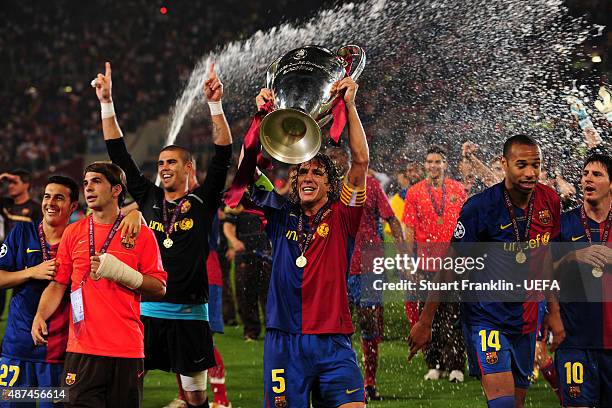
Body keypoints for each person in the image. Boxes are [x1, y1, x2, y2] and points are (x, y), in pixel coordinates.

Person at [94, 61, 232, 407]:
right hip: (145, 312)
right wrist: (106, 102)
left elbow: (223, 154)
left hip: (190, 315)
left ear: (189, 168)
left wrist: (215, 105)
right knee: (129, 390)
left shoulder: (203, 201)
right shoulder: (149, 197)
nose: (164, 168)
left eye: (171, 162)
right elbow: (118, 154)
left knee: (197, 398)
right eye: (160, 164)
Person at [409, 134, 566, 408]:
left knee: (516, 403)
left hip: (528, 317)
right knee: (502, 403)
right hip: (486, 316)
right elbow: (451, 265)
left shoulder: (549, 201)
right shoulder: (480, 207)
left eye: (536, 165)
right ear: (504, 164)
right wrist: (426, 321)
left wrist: (553, 312)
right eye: (521, 165)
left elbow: (547, 259)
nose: (530, 173)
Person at [249, 78, 368, 407]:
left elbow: (360, 163)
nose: (308, 177)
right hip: (284, 342)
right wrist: (261, 119)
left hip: (333, 341)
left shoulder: (343, 216)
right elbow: (245, 176)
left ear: (331, 186)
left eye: (317, 172)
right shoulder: (279, 215)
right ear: (293, 180)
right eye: (302, 172)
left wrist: (352, 106)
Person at [31, 162, 167, 407]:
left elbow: (159, 288)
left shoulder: (141, 234)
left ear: (116, 190)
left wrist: (122, 274)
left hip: (126, 350)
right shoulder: (73, 233)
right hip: (82, 350)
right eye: (85, 183)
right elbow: (58, 284)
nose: (88, 188)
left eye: (96, 181)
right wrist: (40, 315)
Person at [327, 146, 404, 401]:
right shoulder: (327, 188)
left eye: (339, 157)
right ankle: (345, 378)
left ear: (349, 161)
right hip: (338, 265)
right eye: (332, 157)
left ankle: (369, 382)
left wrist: (402, 253)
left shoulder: (369, 185)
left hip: (369, 264)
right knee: (339, 325)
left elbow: (391, 219)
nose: (336, 161)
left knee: (369, 323)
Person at [0, 176, 78, 407]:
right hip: (18, 346)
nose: (50, 203)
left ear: (73, 206)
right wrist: (31, 272)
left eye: (59, 198)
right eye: (47, 196)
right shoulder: (22, 232)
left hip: (59, 351)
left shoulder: (79, 240)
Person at [402, 146, 467, 382]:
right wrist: (410, 261)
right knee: (428, 316)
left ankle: (456, 365)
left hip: (453, 264)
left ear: (445, 164)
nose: (433, 165)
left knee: (454, 315)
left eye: (438, 161)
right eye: (429, 161)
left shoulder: (458, 190)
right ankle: (435, 363)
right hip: (425, 264)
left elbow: (464, 226)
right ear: (424, 165)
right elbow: (409, 229)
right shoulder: (414, 192)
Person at [553, 152, 612, 407]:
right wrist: (572, 257)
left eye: (597, 174)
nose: (588, 178)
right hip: (574, 342)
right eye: (585, 173)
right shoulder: (563, 224)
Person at [222, 203, 271, 342]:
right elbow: (228, 224)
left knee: (269, 295)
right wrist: (234, 241)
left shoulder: (264, 197)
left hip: (266, 252)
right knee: (245, 295)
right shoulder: (235, 198)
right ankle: (251, 331)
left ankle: (272, 329)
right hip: (245, 253)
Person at [0, 170, 43, 317]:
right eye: (9, 183)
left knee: (25, 303)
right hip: (6, 256)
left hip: (27, 259)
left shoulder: (36, 208)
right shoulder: (5, 204)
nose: (10, 186)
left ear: (26, 185)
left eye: (14, 182)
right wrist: (2, 178)